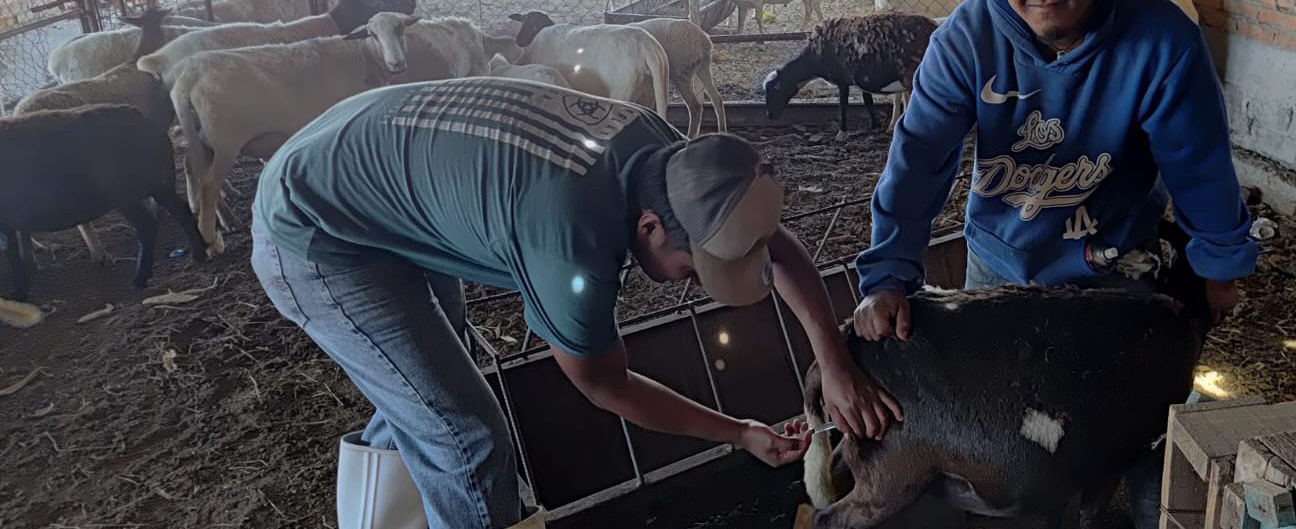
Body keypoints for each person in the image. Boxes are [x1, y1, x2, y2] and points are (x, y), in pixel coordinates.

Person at [249, 76, 903, 529]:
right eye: (691, 268)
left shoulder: (672, 158)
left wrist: (835, 359)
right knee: (467, 440)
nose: (690, 279)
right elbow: (605, 386)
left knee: (423, 399)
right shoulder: (573, 246)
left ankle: (386, 511)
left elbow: (770, 241)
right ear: (648, 227)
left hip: (376, 174)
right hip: (318, 231)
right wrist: (739, 433)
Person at [850, 0, 1259, 527]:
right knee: (1005, 439)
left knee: (1128, 437)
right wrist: (887, 273)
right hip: (1001, 267)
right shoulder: (967, 40)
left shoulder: (1162, 42)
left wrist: (1221, 263)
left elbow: (1200, 166)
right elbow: (917, 161)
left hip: (1117, 278)